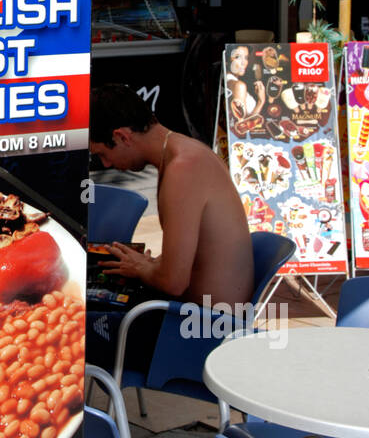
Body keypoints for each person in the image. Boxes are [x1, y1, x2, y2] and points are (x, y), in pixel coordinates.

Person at [88, 83, 254, 373]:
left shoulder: (182, 170)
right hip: (199, 319)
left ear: (122, 136)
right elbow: (197, 257)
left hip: (197, 333)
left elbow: (173, 282)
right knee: (94, 297)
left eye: (103, 154)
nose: (107, 164)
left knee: (71, 325)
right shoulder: (186, 152)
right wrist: (147, 263)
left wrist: (142, 268)